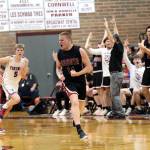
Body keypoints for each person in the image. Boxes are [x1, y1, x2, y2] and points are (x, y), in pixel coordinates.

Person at [55, 31, 92, 140]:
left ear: (68, 40)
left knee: (80, 107)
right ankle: (80, 130)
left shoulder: (79, 50)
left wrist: (78, 73)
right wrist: (59, 75)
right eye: (59, 40)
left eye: (62, 40)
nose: (60, 42)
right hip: (68, 82)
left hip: (80, 81)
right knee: (74, 102)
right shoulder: (59, 53)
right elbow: (57, 68)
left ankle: (76, 119)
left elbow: (89, 68)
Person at [0, 43, 29, 133]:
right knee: (16, 99)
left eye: (21, 50)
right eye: (18, 50)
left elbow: (23, 76)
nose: (20, 52)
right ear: (15, 51)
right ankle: (2, 107)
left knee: (10, 107)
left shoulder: (25, 61)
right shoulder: (10, 59)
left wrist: (24, 68)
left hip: (15, 85)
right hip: (6, 83)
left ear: (23, 51)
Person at [104, 17, 125, 119]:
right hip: (116, 74)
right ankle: (114, 111)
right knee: (113, 94)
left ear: (115, 41)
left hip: (116, 74)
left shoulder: (117, 46)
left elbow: (112, 37)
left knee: (115, 95)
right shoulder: (119, 45)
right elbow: (116, 35)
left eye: (112, 39)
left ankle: (120, 113)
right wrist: (114, 24)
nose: (111, 41)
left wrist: (107, 27)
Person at [138, 26, 150, 114]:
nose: (149, 32)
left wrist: (143, 47)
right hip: (147, 68)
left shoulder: (143, 44)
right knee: (144, 89)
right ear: (146, 33)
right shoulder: (144, 42)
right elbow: (141, 55)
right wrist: (140, 50)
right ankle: (149, 104)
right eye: (148, 31)